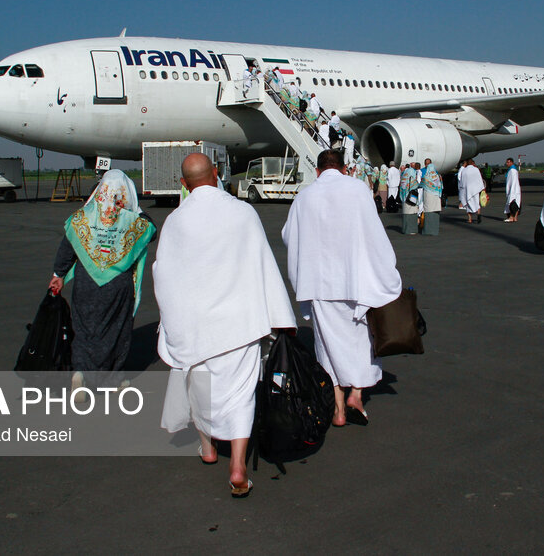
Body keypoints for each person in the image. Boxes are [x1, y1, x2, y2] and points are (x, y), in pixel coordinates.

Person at [155, 153, 295, 498]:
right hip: (239, 323)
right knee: (240, 395)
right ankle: (237, 465)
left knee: (198, 388)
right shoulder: (242, 212)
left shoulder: (175, 221)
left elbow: (164, 275)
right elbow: (262, 262)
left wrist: (173, 321)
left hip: (195, 325)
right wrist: (281, 317)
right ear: (217, 174)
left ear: (184, 184)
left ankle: (207, 449)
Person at [282, 149, 402, 427]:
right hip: (354, 281)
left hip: (320, 284)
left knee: (327, 346)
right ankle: (356, 394)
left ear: (318, 170)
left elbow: (289, 235)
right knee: (361, 342)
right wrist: (386, 269)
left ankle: (337, 408)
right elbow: (373, 231)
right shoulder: (357, 189)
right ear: (345, 168)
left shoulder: (305, 196)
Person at [48, 170, 156, 389]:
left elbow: (67, 247)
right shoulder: (134, 221)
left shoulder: (82, 217)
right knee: (117, 328)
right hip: (118, 283)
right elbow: (152, 231)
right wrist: (134, 209)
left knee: (84, 326)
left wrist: (58, 275)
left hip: (85, 282)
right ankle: (114, 377)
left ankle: (80, 372)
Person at [421, 159, 443, 235]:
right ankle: (434, 231)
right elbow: (440, 186)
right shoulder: (436, 176)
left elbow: (421, 184)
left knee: (428, 214)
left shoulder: (426, 176)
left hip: (428, 199)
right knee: (435, 215)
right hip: (436, 199)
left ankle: (427, 231)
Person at [399, 162, 420, 234]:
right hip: (411, 198)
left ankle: (405, 229)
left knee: (406, 214)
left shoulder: (404, 177)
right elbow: (415, 186)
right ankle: (411, 230)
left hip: (404, 198)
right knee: (412, 213)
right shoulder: (412, 177)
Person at [461, 159, 485, 223]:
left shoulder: (464, 170)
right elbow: (479, 179)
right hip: (475, 189)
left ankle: (470, 218)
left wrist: (462, 190)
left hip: (467, 190)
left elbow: (462, 181)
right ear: (472, 163)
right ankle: (478, 214)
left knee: (468, 203)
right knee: (477, 202)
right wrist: (482, 188)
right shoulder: (476, 169)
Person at [503, 157, 521, 223]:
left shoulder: (512, 171)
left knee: (511, 203)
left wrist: (512, 190)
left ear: (511, 162)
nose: (507, 163)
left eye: (508, 162)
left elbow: (513, 181)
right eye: (506, 162)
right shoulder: (513, 170)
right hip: (515, 189)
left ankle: (511, 217)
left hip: (513, 189)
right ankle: (515, 218)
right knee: (516, 203)